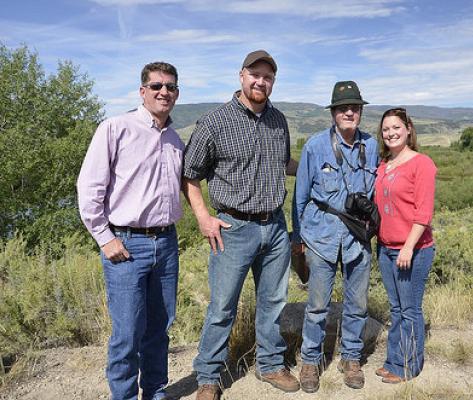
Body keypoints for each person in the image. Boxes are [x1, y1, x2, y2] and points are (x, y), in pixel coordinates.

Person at [182, 50, 299, 400]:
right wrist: (204, 218)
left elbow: (285, 163)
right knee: (222, 307)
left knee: (274, 301)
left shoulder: (278, 120)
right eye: (255, 74)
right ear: (241, 76)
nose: (261, 81)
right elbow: (190, 175)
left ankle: (271, 364)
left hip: (275, 226)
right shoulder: (215, 121)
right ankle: (208, 376)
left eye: (268, 77)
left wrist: (321, 161)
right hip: (233, 229)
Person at [77, 62, 183, 400]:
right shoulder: (115, 128)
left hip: (166, 243)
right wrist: (104, 237)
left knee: (159, 330)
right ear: (142, 91)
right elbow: (89, 187)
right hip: (127, 244)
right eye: (156, 86)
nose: (163, 91)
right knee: (126, 334)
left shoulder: (175, 140)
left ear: (177, 94)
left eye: (170, 86)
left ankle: (155, 392)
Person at [291, 81, 378, 392]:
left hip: (358, 238)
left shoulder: (372, 146)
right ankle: (310, 361)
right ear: (333, 113)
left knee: (357, 303)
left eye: (354, 107)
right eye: (343, 108)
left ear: (361, 112)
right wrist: (297, 238)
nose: (349, 112)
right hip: (320, 236)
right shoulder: (315, 146)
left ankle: (351, 358)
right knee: (317, 305)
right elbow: (300, 196)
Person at [374, 107, 437, 383]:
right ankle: (393, 361)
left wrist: (408, 247)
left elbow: (423, 213)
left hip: (412, 250)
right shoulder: (384, 165)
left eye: (396, 128)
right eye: (386, 129)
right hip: (385, 248)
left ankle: (409, 366)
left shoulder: (422, 163)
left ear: (408, 128)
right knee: (396, 309)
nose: (391, 133)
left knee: (410, 309)